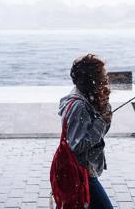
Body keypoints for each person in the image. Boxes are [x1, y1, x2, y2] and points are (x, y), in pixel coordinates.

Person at [58, 54, 113, 209]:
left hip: (84, 170)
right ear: (92, 81)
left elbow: (100, 134)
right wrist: (101, 121)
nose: (106, 80)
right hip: (82, 171)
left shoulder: (86, 98)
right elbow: (77, 144)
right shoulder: (79, 106)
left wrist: (104, 108)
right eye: (103, 77)